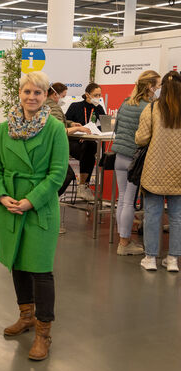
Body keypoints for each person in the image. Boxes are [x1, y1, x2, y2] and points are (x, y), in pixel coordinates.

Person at [0, 71, 68, 361]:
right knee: (17, 264)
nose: (32, 97)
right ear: (19, 94)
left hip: (39, 208)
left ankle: (43, 332)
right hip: (10, 206)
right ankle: (25, 315)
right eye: (27, 92)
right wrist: (1, 195)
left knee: (41, 270)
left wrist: (30, 201)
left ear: (46, 96)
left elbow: (58, 174)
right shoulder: (5, 127)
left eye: (38, 93)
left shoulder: (55, 129)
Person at [135, 71, 181, 272]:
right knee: (177, 217)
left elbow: (141, 139)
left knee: (153, 214)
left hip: (155, 168)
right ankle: (172, 260)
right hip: (179, 170)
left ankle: (151, 258)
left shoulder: (153, 107)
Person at [112, 70, 161, 256]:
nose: (158, 89)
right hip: (135, 159)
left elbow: (117, 128)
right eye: (157, 85)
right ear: (150, 86)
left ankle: (123, 240)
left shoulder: (126, 103)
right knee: (128, 202)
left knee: (122, 199)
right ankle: (124, 244)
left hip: (119, 156)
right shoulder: (149, 108)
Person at [64, 82, 106, 201]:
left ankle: (83, 186)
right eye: (96, 95)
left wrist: (91, 131)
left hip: (88, 141)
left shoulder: (98, 108)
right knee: (89, 151)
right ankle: (83, 186)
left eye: (99, 95)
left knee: (90, 147)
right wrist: (79, 131)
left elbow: (104, 125)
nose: (98, 97)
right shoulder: (75, 106)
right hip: (73, 141)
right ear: (87, 94)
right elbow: (66, 123)